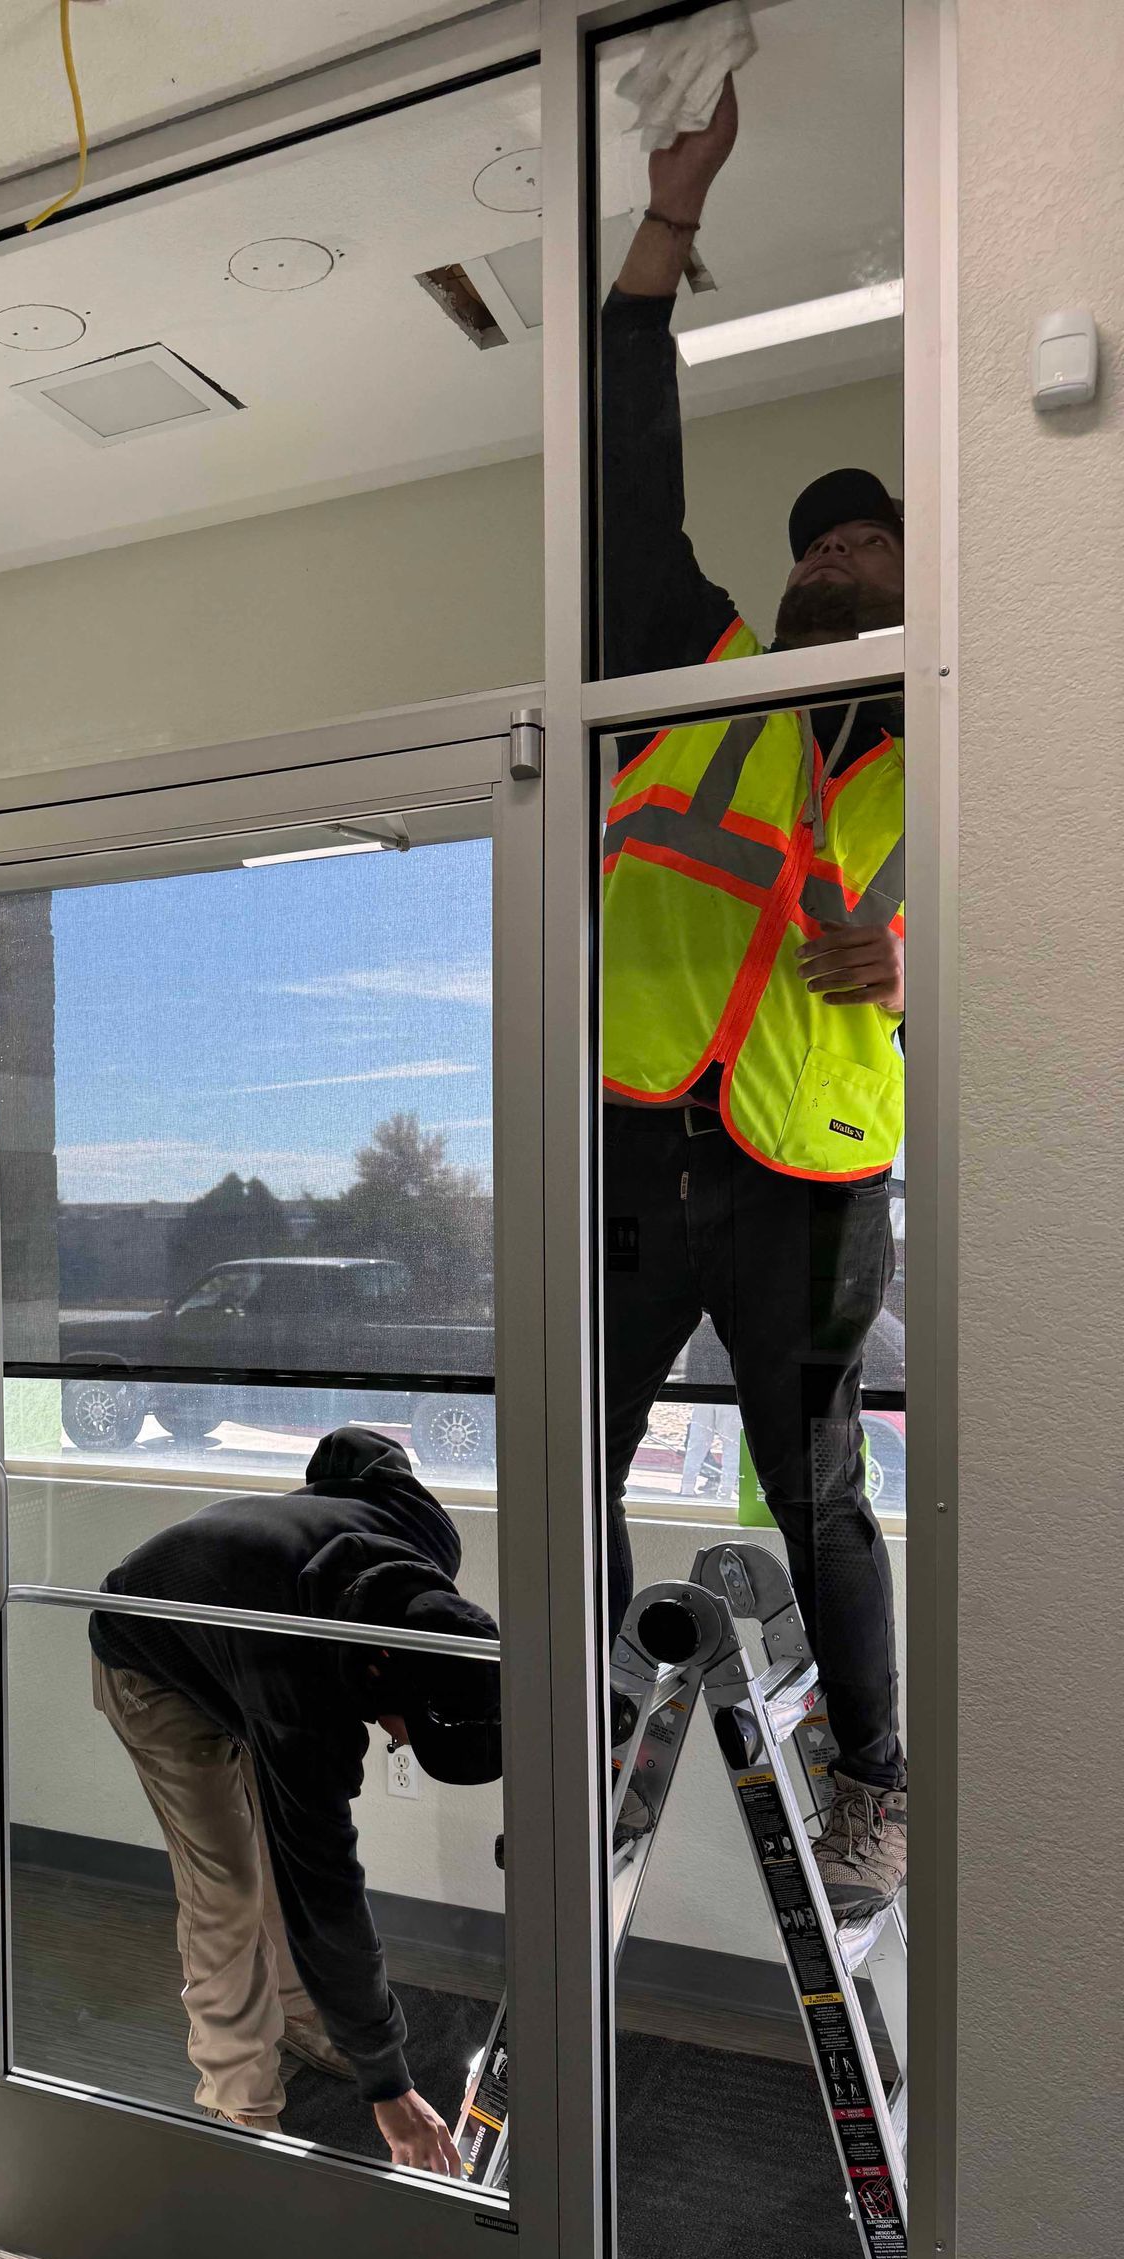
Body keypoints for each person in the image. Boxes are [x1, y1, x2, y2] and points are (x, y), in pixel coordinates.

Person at [599, 76, 906, 1917]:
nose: (827, 553)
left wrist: (914, 968)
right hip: (640, 1154)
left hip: (806, 1179)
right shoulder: (688, 669)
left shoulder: (950, 751)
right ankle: (551, 1729)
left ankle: (876, 1784)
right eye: (813, 539)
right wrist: (672, 213)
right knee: (573, 1464)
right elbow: (632, 434)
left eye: (862, 542)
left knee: (821, 1499)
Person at [88, 1426, 501, 2173]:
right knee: (229, 1885)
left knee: (279, 1861)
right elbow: (328, 1892)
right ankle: (237, 2100)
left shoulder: (425, 1541)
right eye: (405, 1734)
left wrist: (292, 1527)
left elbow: (356, 1449)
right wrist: (388, 2084)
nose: (396, 1744)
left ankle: (307, 2022)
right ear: (380, 1669)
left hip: (241, 1641)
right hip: (151, 1657)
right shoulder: (301, 1699)